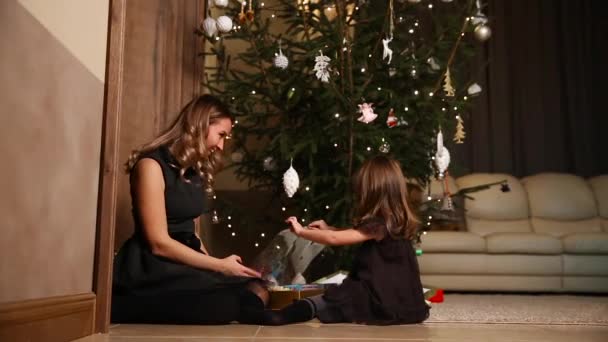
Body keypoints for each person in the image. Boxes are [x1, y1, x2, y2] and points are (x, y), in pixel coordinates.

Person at [111, 94, 268, 325]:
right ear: (201, 125)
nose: (222, 145)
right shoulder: (151, 166)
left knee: (257, 288)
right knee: (223, 304)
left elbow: (192, 233)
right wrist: (220, 266)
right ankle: (123, 304)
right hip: (155, 265)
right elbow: (158, 243)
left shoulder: (195, 171)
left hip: (186, 260)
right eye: (221, 135)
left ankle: (243, 308)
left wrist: (214, 268)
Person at [265, 155, 430, 325]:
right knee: (342, 297)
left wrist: (300, 231)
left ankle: (284, 315)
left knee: (337, 296)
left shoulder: (379, 224)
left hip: (379, 296)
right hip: (400, 298)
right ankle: (295, 311)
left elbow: (335, 239)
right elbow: (351, 233)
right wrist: (328, 228)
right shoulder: (393, 221)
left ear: (373, 192)